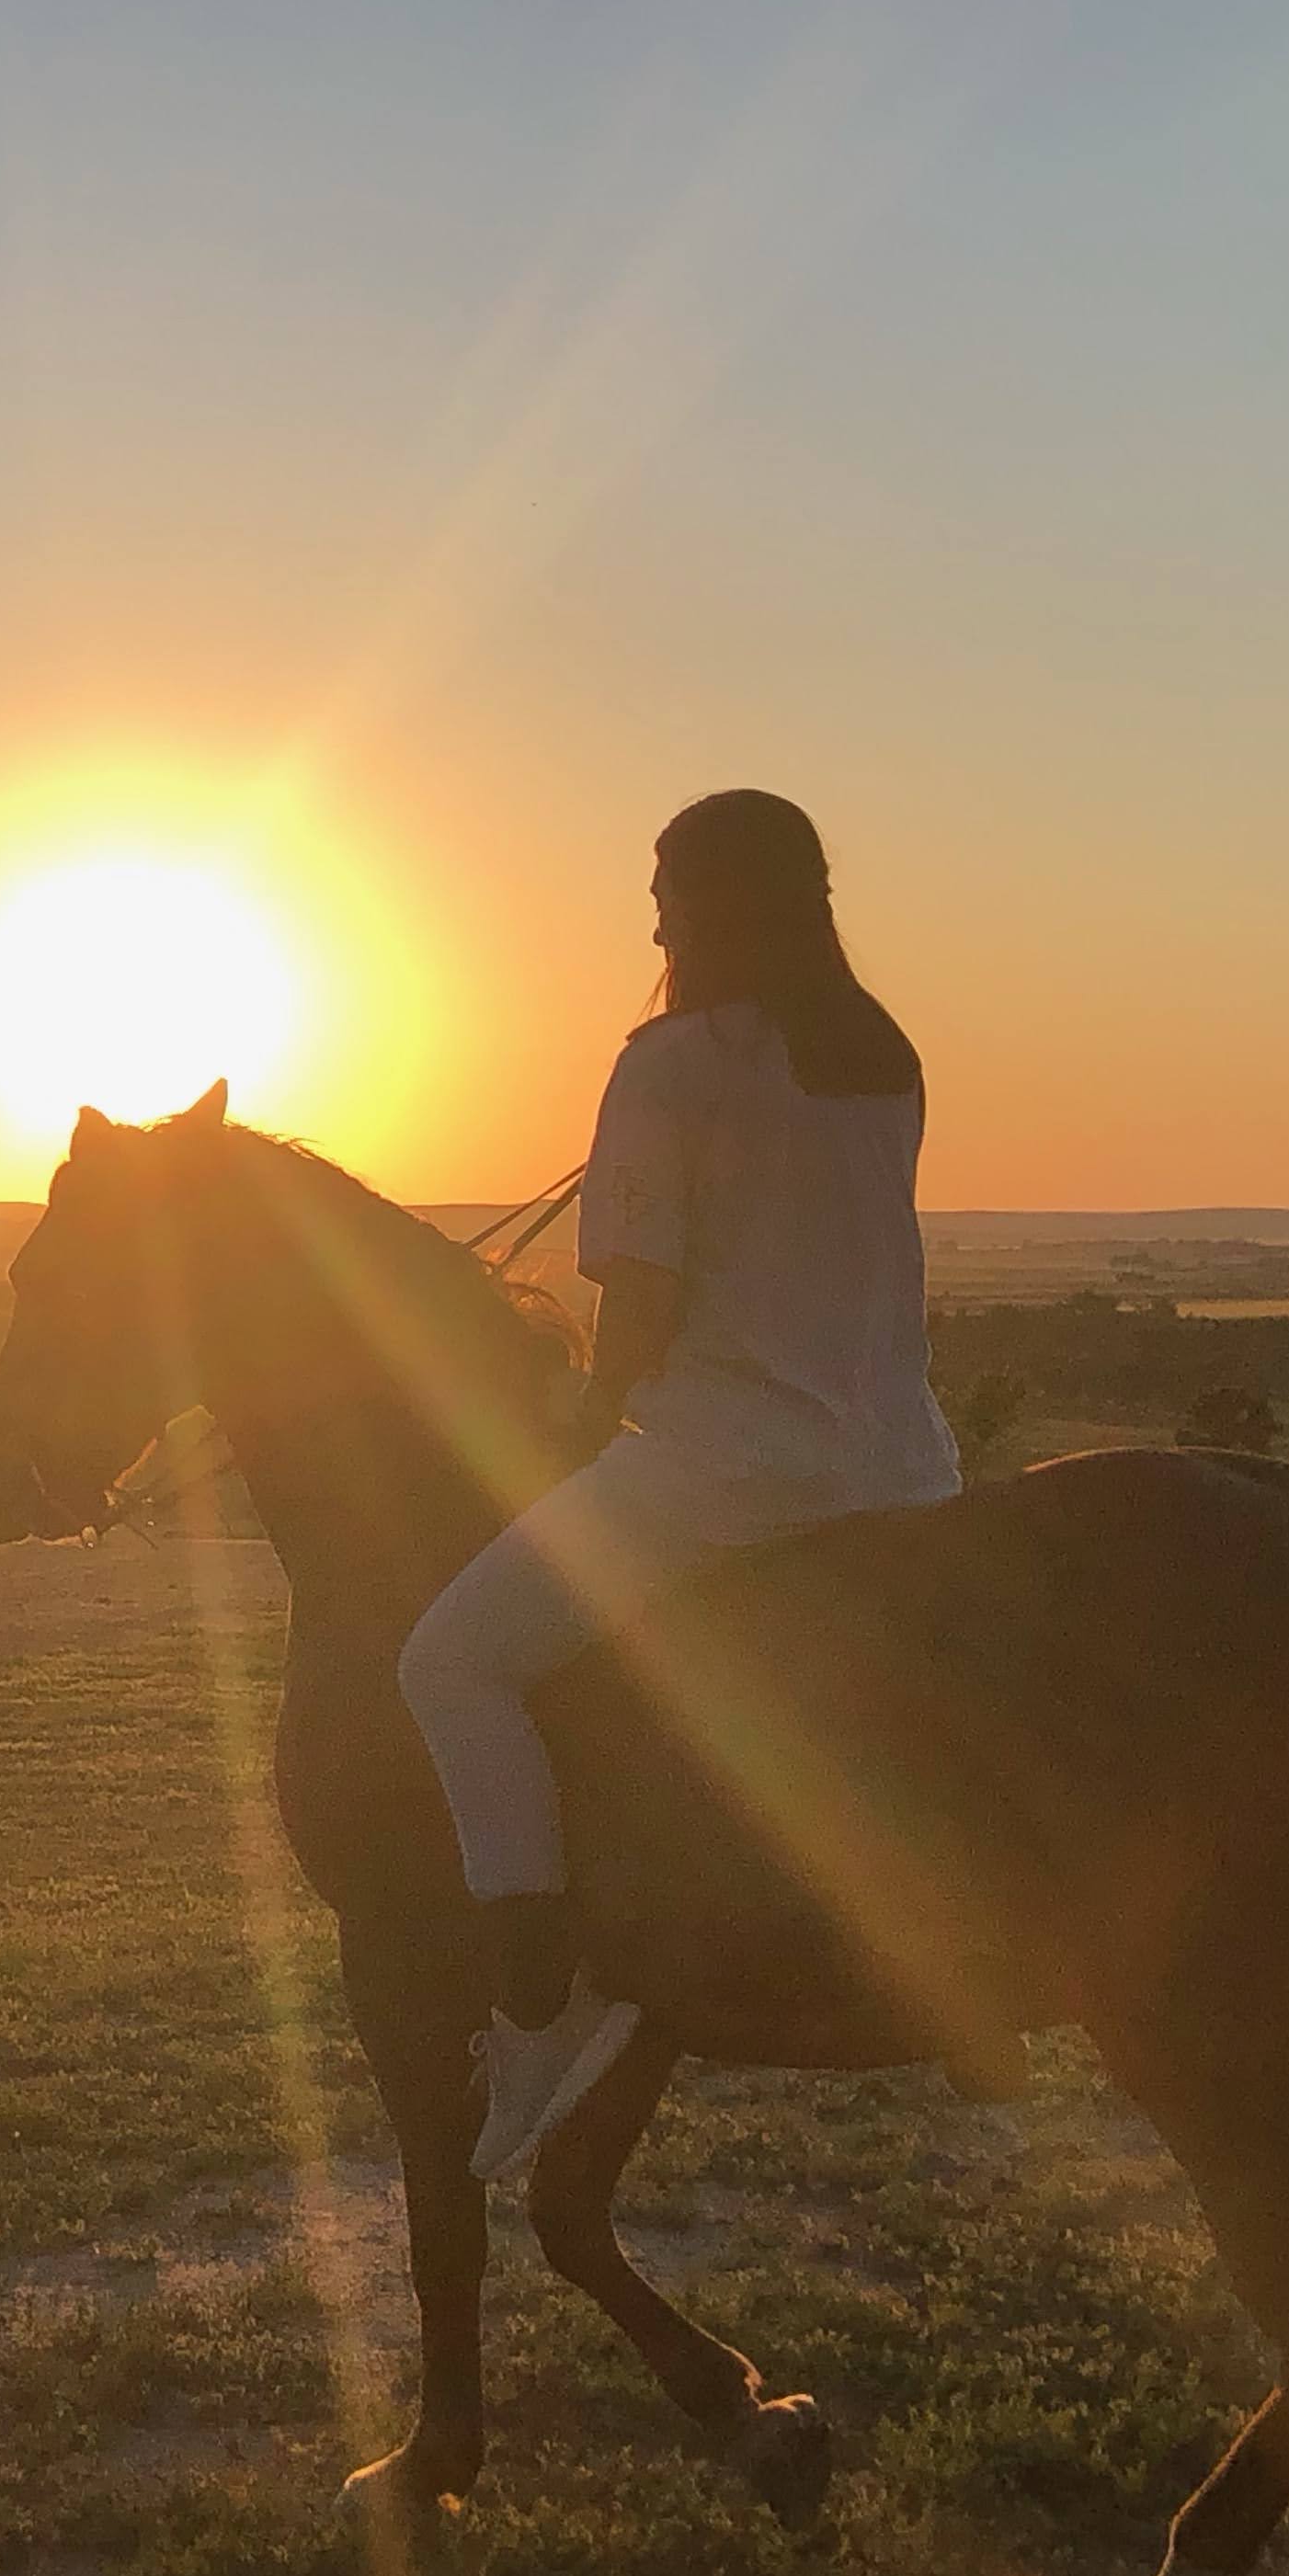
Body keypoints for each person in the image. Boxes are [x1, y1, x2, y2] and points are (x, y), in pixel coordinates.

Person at [396, 790, 961, 2183]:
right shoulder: (881, 1052)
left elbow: (636, 1302)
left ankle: (535, 1997)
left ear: (719, 901)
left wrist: (588, 1411)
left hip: (728, 1467)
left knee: (451, 1663)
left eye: (668, 890)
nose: (653, 917)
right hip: (905, 1464)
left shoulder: (668, 1062)